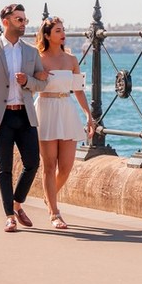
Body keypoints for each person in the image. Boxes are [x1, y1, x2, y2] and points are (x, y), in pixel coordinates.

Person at [0, 3, 49, 233]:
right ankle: (9, 217)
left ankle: (17, 203)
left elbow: (42, 83)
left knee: (33, 163)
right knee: (4, 167)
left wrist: (28, 81)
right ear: (6, 22)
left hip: (25, 115)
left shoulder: (31, 52)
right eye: (19, 19)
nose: (24, 23)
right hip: (2, 117)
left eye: (25, 20)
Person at [35, 16, 95, 229]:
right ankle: (54, 212)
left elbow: (78, 90)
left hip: (66, 109)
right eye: (58, 31)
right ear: (47, 35)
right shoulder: (38, 58)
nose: (63, 34)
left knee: (67, 166)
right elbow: (29, 86)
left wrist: (88, 115)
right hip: (46, 109)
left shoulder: (71, 60)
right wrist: (38, 76)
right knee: (49, 165)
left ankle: (48, 197)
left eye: (63, 30)